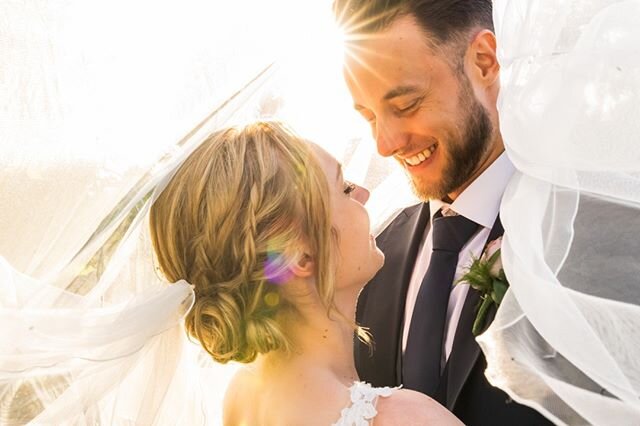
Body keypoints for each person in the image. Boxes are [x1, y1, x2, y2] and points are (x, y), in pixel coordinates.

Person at [148, 121, 462, 425]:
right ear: (300, 256)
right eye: (345, 188)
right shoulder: (406, 419)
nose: (364, 194)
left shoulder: (241, 398)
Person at [332, 1, 554, 424]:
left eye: (406, 104)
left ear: (485, 62)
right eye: (369, 116)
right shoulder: (371, 260)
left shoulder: (583, 231)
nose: (385, 143)